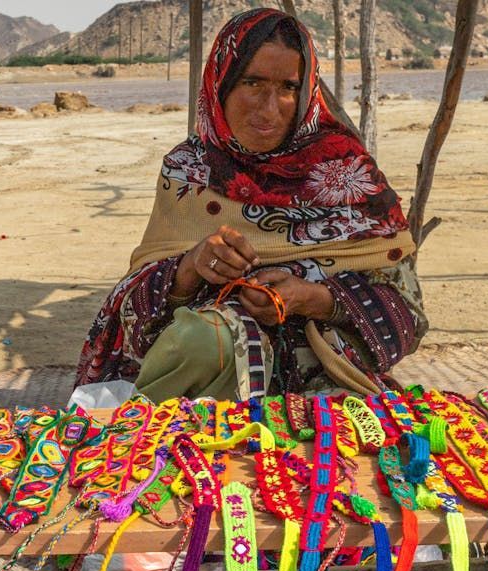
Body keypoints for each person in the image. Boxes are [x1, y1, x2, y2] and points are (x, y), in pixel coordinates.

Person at [75, 8, 427, 402]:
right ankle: (152, 441)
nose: (270, 107)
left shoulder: (348, 174)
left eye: (288, 88)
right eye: (252, 82)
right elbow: (131, 311)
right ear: (221, 84)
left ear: (306, 90)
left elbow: (408, 315)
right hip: (214, 373)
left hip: (327, 369)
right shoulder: (189, 170)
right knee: (202, 340)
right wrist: (192, 267)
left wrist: (308, 298)